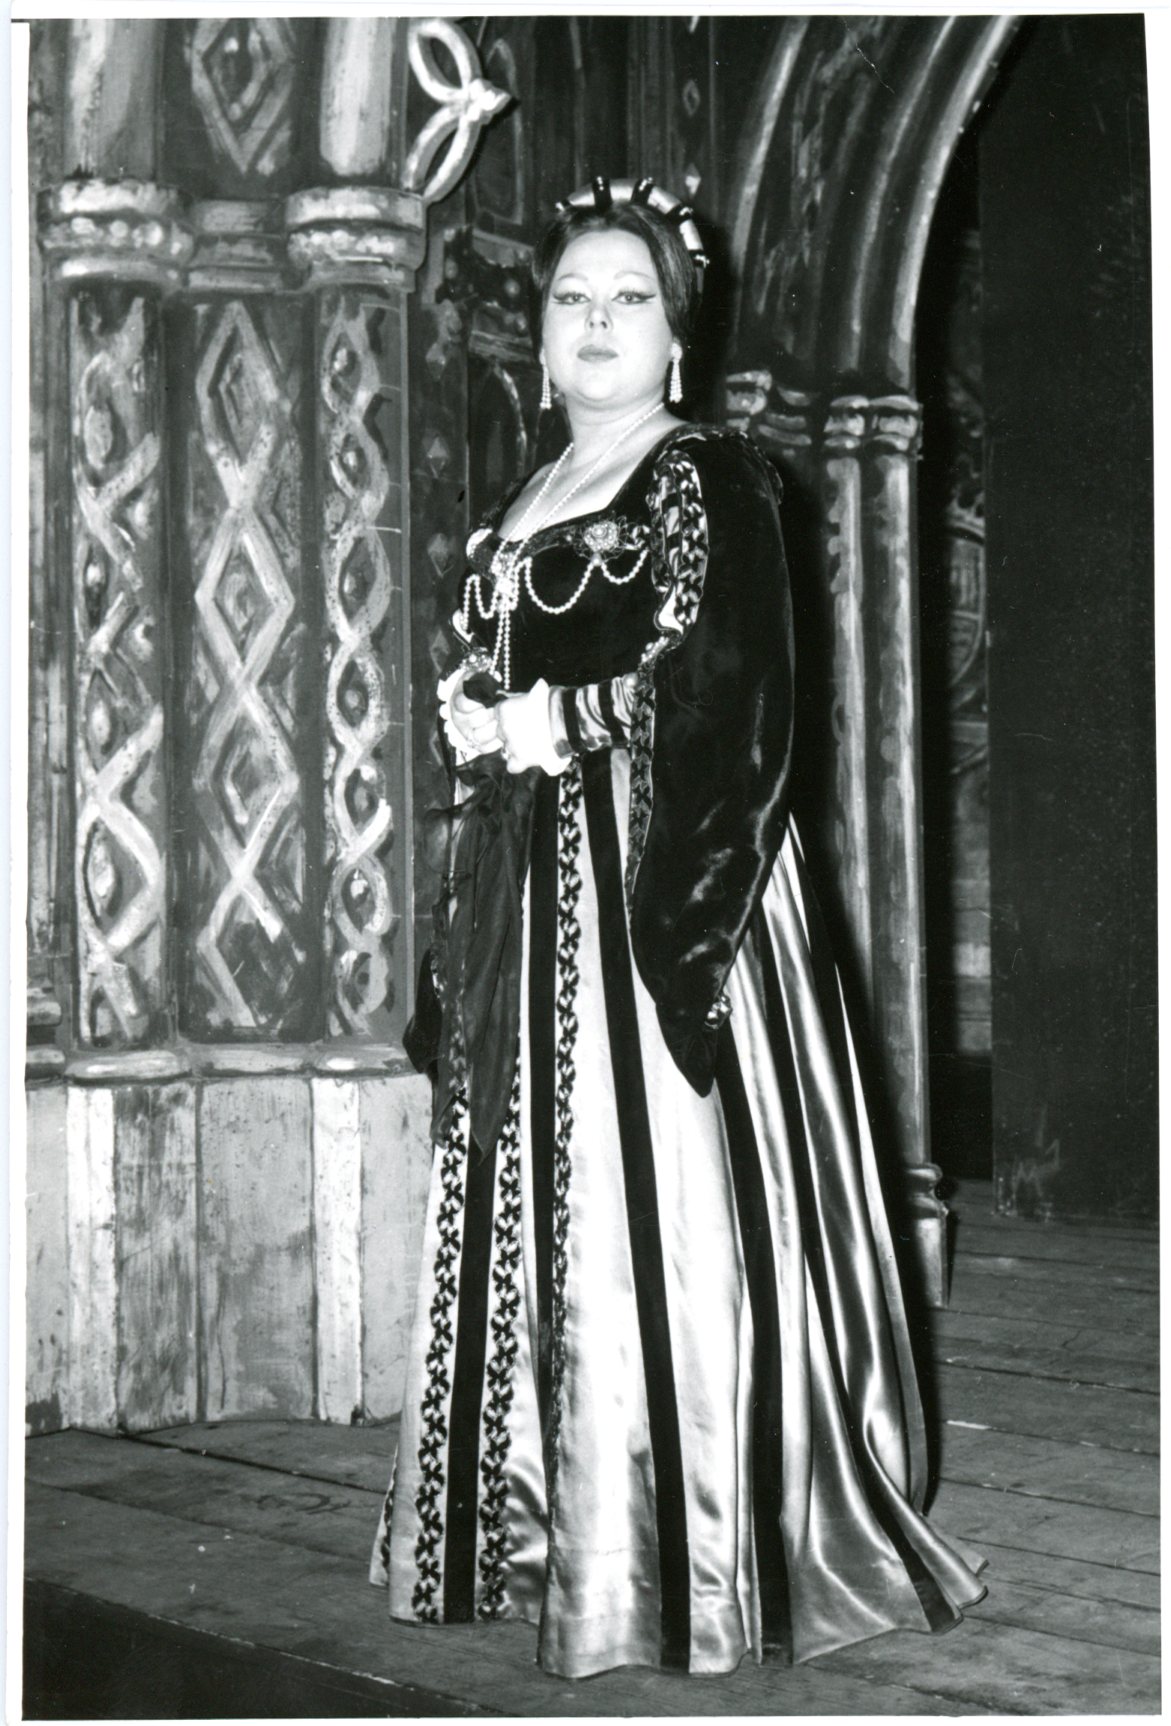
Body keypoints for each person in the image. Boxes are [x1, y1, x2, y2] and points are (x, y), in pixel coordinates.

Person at [370, 175, 985, 1679]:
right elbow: (512, 691)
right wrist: (478, 721)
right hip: (527, 894)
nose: (596, 321)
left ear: (674, 338)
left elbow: (736, 700)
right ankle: (536, 1533)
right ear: (540, 340)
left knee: (661, 1216)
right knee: (527, 1208)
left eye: (628, 299)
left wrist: (554, 722)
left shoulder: (706, 476)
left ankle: (678, 1554)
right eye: (572, 298)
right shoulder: (520, 502)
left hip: (668, 889)